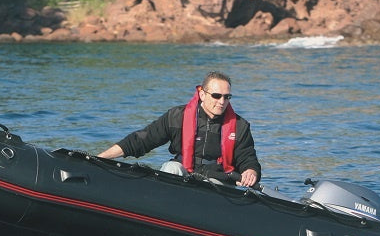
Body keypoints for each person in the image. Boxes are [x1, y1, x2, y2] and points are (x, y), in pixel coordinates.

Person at [97, 71, 262, 187]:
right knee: (171, 168)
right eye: (216, 96)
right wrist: (100, 159)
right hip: (182, 173)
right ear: (202, 94)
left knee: (211, 186)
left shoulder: (240, 126)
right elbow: (141, 140)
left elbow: (248, 159)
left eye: (227, 97)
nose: (222, 102)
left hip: (217, 180)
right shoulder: (177, 116)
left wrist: (251, 172)